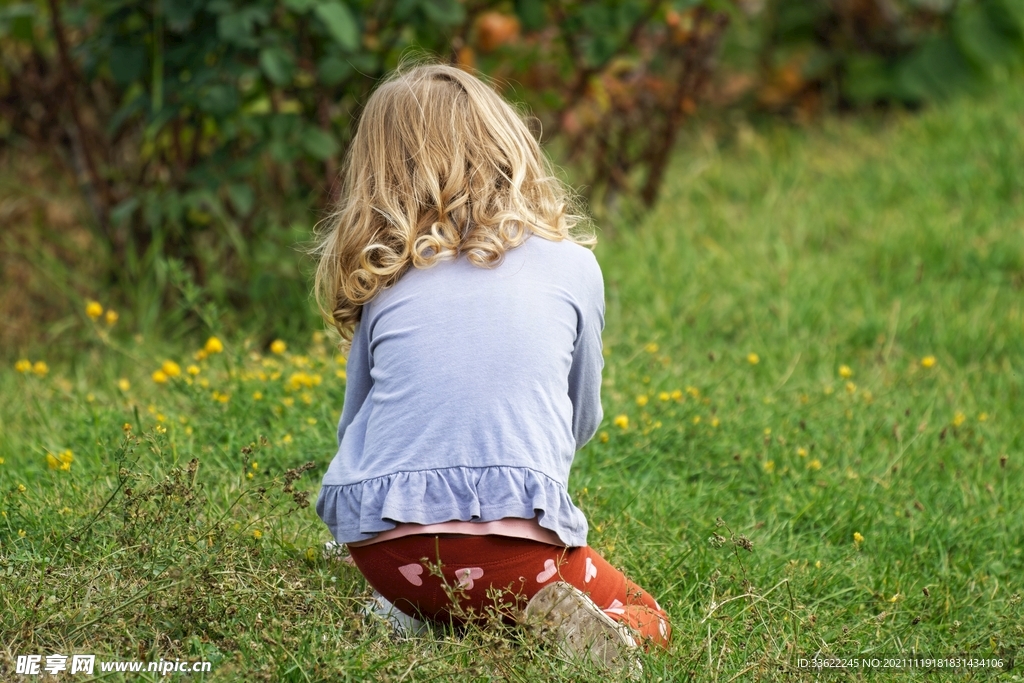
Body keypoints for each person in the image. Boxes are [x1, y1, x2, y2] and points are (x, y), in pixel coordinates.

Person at [311, 59, 670, 665]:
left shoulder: (389, 273)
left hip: (385, 556)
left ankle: (410, 610)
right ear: (508, 144)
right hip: (517, 560)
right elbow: (579, 417)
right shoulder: (572, 265)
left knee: (433, 580)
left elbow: (356, 430)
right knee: (651, 614)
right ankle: (607, 635)